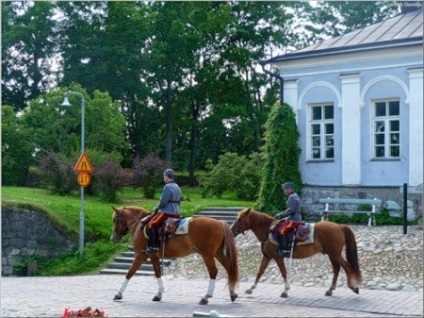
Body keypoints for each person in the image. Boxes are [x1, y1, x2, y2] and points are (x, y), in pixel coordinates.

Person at [145, 169, 182, 255]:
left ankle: (153, 246)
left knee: (151, 224)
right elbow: (179, 201)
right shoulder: (177, 186)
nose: (164, 178)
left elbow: (163, 202)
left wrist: (156, 208)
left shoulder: (167, 187)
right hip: (176, 212)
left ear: (166, 176)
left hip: (167, 213)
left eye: (164, 176)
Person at [274, 181, 302, 257]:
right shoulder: (295, 195)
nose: (284, 191)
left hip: (294, 220)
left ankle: (284, 250)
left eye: (285, 189)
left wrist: (280, 215)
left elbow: (290, 210)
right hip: (293, 218)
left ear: (289, 189)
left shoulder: (292, 197)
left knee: (281, 231)